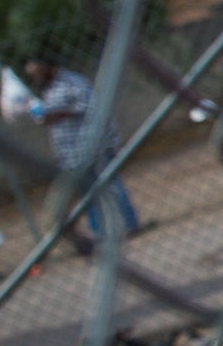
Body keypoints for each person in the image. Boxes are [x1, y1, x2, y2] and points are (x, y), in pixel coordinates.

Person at [22, 58, 140, 237]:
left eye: (36, 71)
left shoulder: (72, 82)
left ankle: (129, 225)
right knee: (87, 194)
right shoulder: (47, 90)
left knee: (110, 185)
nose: (35, 77)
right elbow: (47, 117)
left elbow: (90, 107)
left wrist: (59, 113)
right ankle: (101, 233)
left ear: (47, 65)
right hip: (69, 153)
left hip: (92, 146)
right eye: (31, 75)